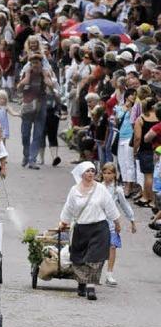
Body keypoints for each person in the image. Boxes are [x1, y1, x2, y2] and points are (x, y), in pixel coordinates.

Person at [59, 162, 121, 301]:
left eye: (93, 171)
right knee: (79, 258)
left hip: (99, 228)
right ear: (82, 173)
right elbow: (68, 207)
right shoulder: (74, 190)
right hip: (81, 228)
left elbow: (110, 206)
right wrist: (64, 222)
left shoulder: (100, 189)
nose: (91, 173)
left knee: (94, 258)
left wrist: (117, 222)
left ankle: (90, 287)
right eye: (88, 171)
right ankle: (82, 282)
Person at [99, 162, 136, 286]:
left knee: (112, 247)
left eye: (109, 173)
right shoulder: (98, 187)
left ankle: (109, 274)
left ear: (115, 175)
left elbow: (125, 205)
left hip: (112, 223)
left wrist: (132, 220)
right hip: (99, 222)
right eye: (104, 173)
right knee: (98, 248)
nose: (106, 176)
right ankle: (96, 272)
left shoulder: (117, 190)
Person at [17, 53, 53, 170]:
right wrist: (27, 77)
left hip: (40, 105)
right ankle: (26, 155)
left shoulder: (45, 73)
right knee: (25, 134)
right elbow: (19, 88)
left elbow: (50, 85)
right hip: (27, 105)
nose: (35, 65)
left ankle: (32, 160)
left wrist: (46, 75)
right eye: (32, 63)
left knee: (37, 134)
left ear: (41, 63)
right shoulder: (26, 73)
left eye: (37, 63)